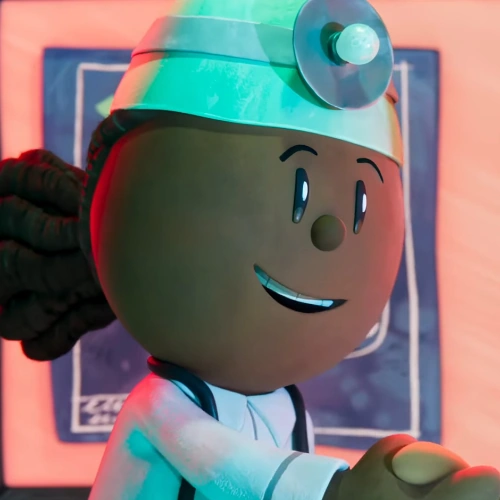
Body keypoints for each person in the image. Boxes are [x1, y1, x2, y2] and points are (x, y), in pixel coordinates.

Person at [0, 0, 499, 499]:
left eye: (361, 208)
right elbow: (231, 470)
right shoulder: (162, 409)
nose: (330, 234)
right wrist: (342, 491)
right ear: (115, 210)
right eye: (299, 194)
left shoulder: (284, 407)